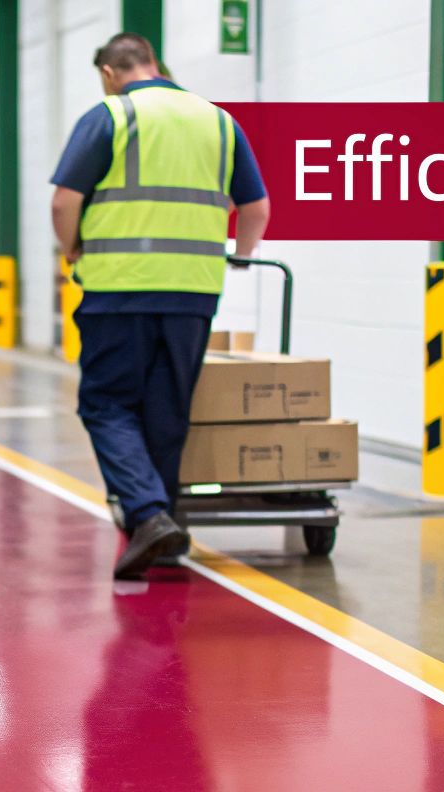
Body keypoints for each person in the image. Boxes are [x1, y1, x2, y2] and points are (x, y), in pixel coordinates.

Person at [51, 33, 270, 580]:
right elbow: (257, 207)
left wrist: (71, 247)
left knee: (106, 404)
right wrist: (238, 259)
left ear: (109, 72)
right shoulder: (219, 122)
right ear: (156, 65)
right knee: (166, 411)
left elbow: (64, 201)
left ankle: (148, 516)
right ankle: (166, 534)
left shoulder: (111, 116)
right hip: (193, 292)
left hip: (118, 289)